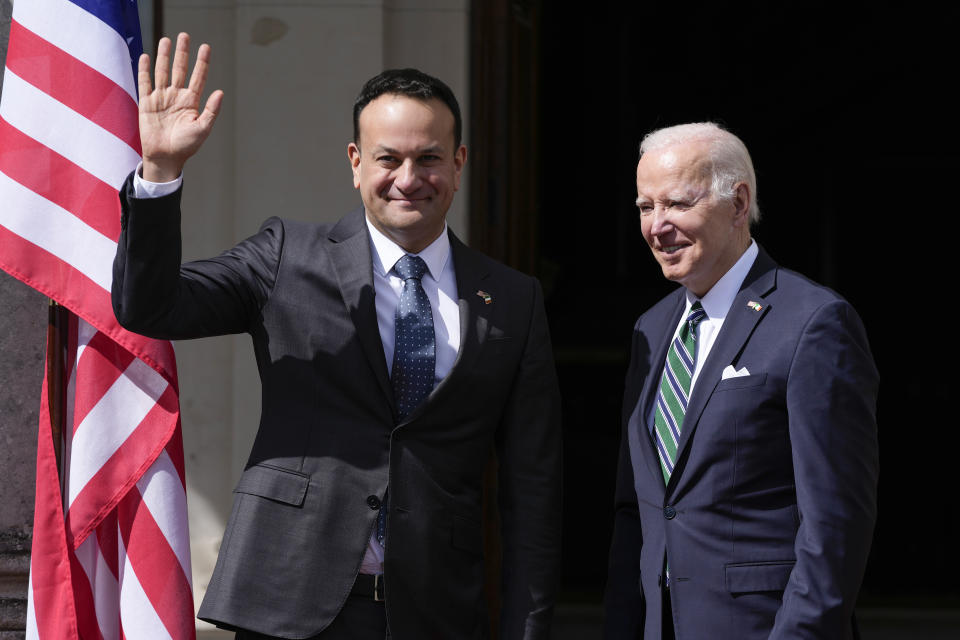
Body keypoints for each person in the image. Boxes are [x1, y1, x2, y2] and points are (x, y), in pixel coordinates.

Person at [112, 33, 562, 639]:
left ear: (458, 164)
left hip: (434, 610)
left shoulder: (512, 298)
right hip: (288, 599)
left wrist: (527, 628)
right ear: (355, 163)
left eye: (429, 158)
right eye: (387, 159)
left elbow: (532, 488)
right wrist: (160, 173)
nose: (409, 178)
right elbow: (152, 307)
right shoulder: (285, 257)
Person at [603, 123, 878, 639]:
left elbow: (836, 524)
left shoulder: (813, 322)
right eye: (645, 207)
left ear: (737, 203)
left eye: (678, 204)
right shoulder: (652, 328)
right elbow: (635, 512)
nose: (657, 226)